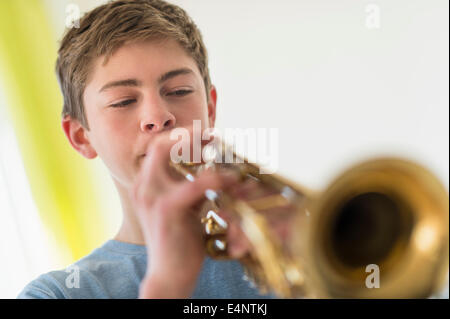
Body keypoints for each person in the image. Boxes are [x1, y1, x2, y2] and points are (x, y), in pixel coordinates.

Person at [18, 0, 274, 299]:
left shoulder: (294, 249)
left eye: (179, 91)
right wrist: (167, 283)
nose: (158, 117)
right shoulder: (56, 293)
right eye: (123, 101)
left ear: (210, 109)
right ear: (81, 137)